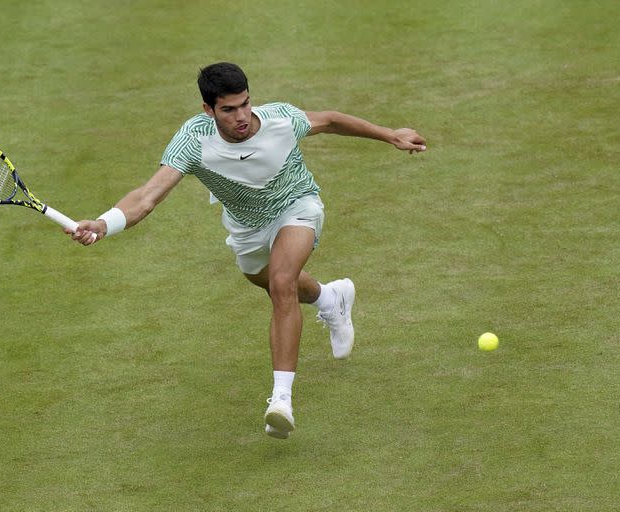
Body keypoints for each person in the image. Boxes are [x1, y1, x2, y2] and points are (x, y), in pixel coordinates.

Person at [69, 62, 427, 439]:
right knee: (263, 278)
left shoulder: (280, 119)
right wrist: (104, 223)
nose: (241, 117)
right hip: (246, 227)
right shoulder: (194, 140)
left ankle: (281, 401)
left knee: (282, 282)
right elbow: (146, 196)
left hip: (297, 206)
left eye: (245, 104)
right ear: (208, 110)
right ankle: (330, 298)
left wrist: (390, 135)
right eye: (228, 109)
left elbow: (332, 120)